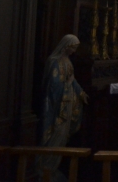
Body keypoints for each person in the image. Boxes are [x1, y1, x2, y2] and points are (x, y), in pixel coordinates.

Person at [37, 34, 89, 180]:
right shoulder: (54, 62)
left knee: (62, 137)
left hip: (66, 106)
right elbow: (52, 87)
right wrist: (67, 84)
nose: (74, 51)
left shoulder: (67, 62)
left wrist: (81, 93)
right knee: (54, 135)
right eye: (73, 48)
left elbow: (72, 80)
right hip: (56, 107)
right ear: (66, 46)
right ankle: (45, 168)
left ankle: (53, 168)